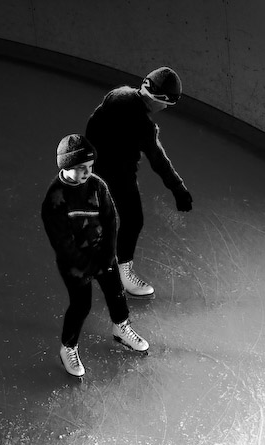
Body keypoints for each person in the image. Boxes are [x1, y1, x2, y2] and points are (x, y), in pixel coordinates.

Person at [41, 134, 149, 378]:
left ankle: (121, 328)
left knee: (116, 293)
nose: (87, 173)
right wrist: (87, 265)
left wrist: (108, 255)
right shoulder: (54, 200)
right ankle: (68, 347)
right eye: (80, 169)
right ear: (65, 166)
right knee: (81, 305)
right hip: (75, 264)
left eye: (90, 167)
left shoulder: (98, 186)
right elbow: (62, 243)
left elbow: (111, 221)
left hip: (102, 255)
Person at [85, 66, 193, 299]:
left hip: (95, 169)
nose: (165, 109)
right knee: (133, 220)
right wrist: (179, 189)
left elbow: (93, 123)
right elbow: (158, 161)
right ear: (158, 99)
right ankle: (123, 275)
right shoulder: (145, 127)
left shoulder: (117, 94)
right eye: (166, 104)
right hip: (121, 175)